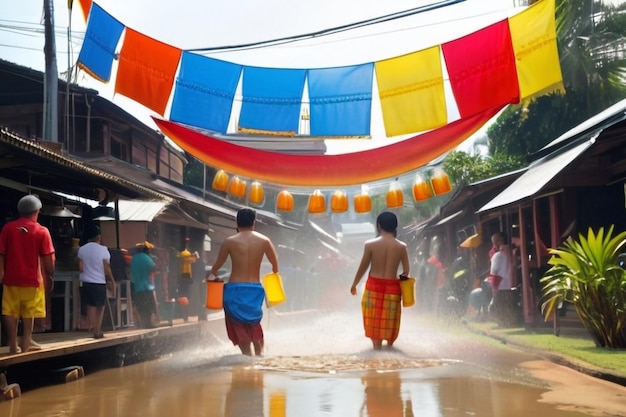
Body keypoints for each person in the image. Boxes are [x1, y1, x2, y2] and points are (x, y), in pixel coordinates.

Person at [208, 208, 279, 356]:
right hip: (255, 290)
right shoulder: (264, 241)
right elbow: (275, 266)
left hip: (234, 290)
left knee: (238, 325)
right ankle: (259, 357)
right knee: (253, 324)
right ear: (254, 222)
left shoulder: (230, 242)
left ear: (237, 222)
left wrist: (213, 273)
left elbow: (217, 265)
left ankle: (246, 358)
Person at [0, 195, 55, 354]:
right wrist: (50, 275)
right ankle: (26, 340)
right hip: (32, 280)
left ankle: (12, 344)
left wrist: (1, 273)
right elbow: (48, 258)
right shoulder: (41, 231)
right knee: (29, 310)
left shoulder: (8, 228)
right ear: (37, 211)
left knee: (10, 310)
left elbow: (1, 253)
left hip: (10, 278)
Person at [350, 211, 409, 350]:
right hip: (393, 288)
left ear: (379, 225)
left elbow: (363, 266)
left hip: (374, 286)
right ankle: (389, 348)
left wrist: (354, 284)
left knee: (373, 321)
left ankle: (376, 351)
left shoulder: (370, 244)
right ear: (395, 226)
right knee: (390, 321)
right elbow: (405, 272)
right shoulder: (401, 246)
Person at [77, 225, 115, 339]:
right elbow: (106, 267)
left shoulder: (81, 249)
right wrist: (111, 280)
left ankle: (91, 327)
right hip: (99, 281)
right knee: (100, 306)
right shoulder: (103, 250)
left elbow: (80, 267)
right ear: (99, 237)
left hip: (86, 282)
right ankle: (97, 330)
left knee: (90, 305)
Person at [487, 231, 514, 320]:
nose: (494, 245)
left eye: (494, 242)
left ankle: (502, 321)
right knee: (508, 306)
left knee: (499, 306)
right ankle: (509, 321)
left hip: (500, 285)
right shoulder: (511, 254)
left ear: (500, 241)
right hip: (511, 284)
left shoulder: (497, 256)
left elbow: (493, 272)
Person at [130, 242, 157, 328]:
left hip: (136, 287)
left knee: (140, 306)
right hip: (147, 286)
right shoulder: (148, 259)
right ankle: (148, 323)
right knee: (148, 306)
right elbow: (152, 271)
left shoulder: (133, 259)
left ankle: (142, 323)